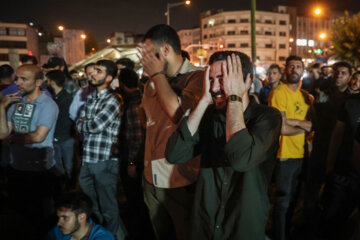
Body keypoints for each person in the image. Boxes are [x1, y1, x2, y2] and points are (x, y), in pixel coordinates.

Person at [165, 51, 282, 239]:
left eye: (223, 79)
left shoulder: (267, 117)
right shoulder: (210, 115)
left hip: (242, 227)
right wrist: (203, 102)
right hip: (205, 225)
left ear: (247, 80)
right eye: (211, 80)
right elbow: (174, 154)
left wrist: (234, 97)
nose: (215, 87)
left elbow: (241, 159)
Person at [137, 24, 203, 240]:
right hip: (150, 177)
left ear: (165, 50)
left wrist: (156, 74)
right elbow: (146, 122)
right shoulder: (151, 83)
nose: (143, 61)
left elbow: (177, 113)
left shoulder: (197, 78)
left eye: (148, 54)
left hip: (180, 178)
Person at [0, 64, 59, 237]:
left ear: (38, 82)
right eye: (17, 78)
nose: (18, 82)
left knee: (42, 222)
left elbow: (38, 136)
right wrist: (1, 107)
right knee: (21, 220)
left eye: (24, 79)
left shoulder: (48, 105)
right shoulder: (16, 104)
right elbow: (3, 132)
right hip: (16, 170)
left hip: (40, 172)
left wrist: (11, 139)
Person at [77, 60, 126, 240]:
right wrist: (84, 124)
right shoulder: (90, 97)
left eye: (98, 71)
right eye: (93, 70)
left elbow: (95, 125)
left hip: (104, 160)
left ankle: (111, 236)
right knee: (92, 204)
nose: (93, 74)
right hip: (88, 158)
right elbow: (79, 124)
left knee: (108, 206)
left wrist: (84, 124)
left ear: (109, 78)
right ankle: (100, 234)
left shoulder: (112, 100)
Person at [302, 61, 353, 227]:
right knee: (311, 191)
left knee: (334, 195)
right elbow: (313, 119)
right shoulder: (322, 95)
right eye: (336, 72)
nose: (338, 75)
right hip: (320, 149)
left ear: (350, 76)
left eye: (343, 73)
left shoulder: (353, 101)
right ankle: (307, 225)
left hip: (341, 155)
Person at [269, 55, 314, 240]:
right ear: (285, 70)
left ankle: (286, 233)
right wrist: (305, 125)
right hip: (284, 155)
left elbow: (313, 125)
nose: (294, 69)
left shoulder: (306, 97)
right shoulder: (279, 93)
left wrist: (294, 122)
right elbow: (282, 128)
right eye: (291, 66)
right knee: (282, 202)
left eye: (298, 66)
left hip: (303, 155)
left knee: (295, 200)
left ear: (303, 70)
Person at [117, 68, 154, 239]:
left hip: (136, 160)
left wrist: (131, 162)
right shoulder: (144, 97)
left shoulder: (133, 104)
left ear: (122, 84)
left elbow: (136, 137)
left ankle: (140, 232)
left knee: (136, 198)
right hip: (146, 158)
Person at [46, 70, 75, 186]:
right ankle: (62, 187)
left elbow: (65, 120)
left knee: (68, 166)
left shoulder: (66, 99)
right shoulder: (55, 97)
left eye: (48, 80)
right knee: (59, 166)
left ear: (52, 82)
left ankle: (69, 188)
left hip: (65, 137)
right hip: (59, 136)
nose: (46, 82)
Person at [48, 191, 114, 240]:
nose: (58, 223)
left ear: (81, 217)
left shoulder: (103, 237)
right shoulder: (58, 231)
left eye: (65, 218)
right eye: (58, 217)